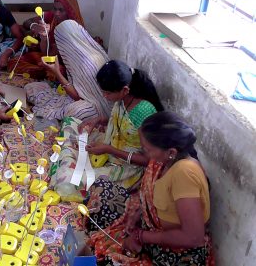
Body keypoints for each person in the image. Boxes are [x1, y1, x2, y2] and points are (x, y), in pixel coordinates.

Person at [85, 111, 213, 265]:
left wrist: (141, 236)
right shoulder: (164, 161)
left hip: (175, 250)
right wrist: (137, 211)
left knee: (111, 260)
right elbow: (148, 195)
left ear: (171, 152)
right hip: (151, 228)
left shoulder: (184, 173)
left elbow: (193, 237)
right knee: (101, 188)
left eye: (147, 149)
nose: (145, 153)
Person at [50, 60, 163, 201]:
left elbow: (148, 160)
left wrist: (109, 150)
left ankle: (65, 167)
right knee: (70, 122)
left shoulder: (143, 112)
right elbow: (121, 123)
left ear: (125, 90)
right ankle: (67, 163)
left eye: (107, 93)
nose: (104, 96)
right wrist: (98, 120)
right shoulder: (124, 98)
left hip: (126, 166)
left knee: (67, 181)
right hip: (110, 146)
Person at [24, 20, 110, 122]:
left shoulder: (85, 63)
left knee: (78, 111)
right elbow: (48, 52)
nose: (58, 45)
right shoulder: (85, 51)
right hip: (74, 97)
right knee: (32, 87)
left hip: (95, 108)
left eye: (59, 41)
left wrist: (57, 73)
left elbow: (77, 97)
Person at [6, 0, 85, 81]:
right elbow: (26, 23)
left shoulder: (76, 28)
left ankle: (43, 73)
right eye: (55, 9)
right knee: (13, 62)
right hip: (45, 57)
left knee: (58, 73)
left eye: (61, 10)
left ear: (70, 11)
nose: (57, 13)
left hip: (61, 63)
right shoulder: (51, 16)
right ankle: (42, 73)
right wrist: (35, 27)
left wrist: (47, 62)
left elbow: (58, 56)